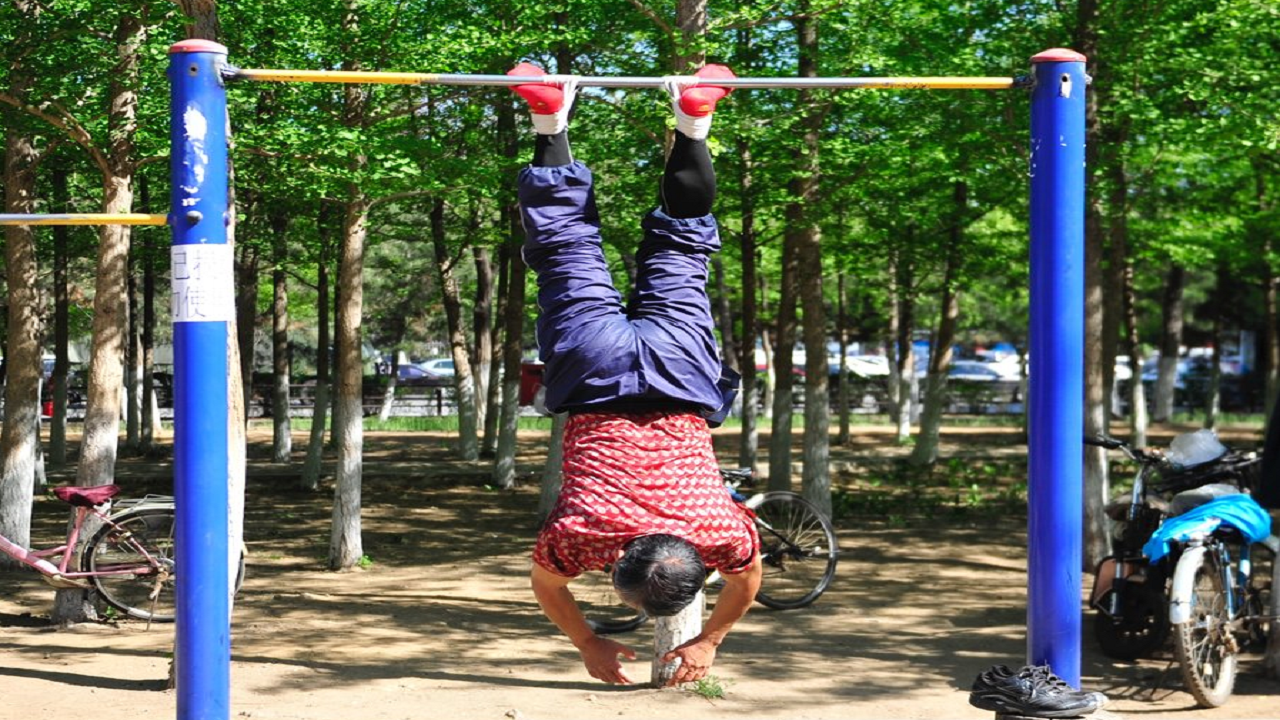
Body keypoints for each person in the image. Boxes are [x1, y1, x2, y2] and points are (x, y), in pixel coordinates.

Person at [509, 61, 762, 687]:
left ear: (697, 561)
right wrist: (588, 642)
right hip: (594, 373)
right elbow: (548, 588)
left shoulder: (721, 535)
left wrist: (712, 640)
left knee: (681, 249)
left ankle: (694, 122)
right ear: (621, 557)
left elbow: (748, 582)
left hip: (679, 372)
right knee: (565, 247)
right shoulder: (578, 538)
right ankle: (548, 117)